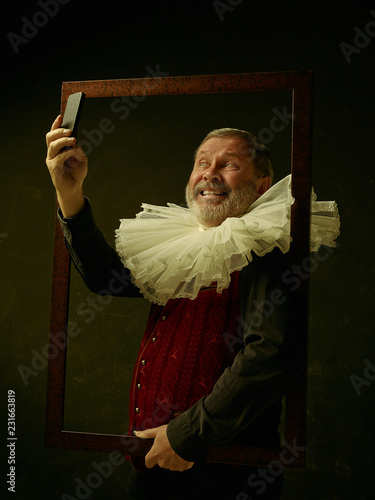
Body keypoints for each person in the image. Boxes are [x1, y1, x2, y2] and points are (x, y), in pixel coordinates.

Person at [45, 116, 339, 499]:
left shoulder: (265, 246)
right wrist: (70, 196)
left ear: (261, 186)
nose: (210, 174)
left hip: (223, 474)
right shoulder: (183, 245)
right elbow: (106, 278)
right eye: (203, 162)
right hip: (155, 465)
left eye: (229, 164)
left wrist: (186, 435)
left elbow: (274, 352)